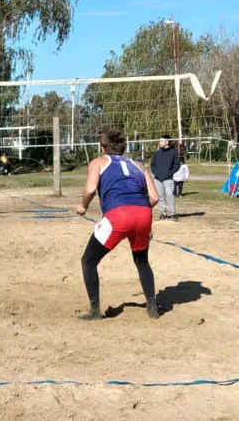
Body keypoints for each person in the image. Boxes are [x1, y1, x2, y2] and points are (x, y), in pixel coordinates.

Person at [75, 130, 160, 321]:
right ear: (124, 148)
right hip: (144, 213)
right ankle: (152, 306)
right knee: (141, 260)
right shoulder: (138, 165)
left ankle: (95, 310)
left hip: (118, 215)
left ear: (102, 147)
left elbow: (89, 189)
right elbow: (154, 197)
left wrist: (83, 206)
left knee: (88, 260)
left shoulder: (98, 162)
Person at [150, 136, 181, 220]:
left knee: (169, 195)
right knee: (160, 196)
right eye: (159, 141)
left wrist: (170, 173)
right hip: (158, 179)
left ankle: (173, 214)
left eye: (161, 141)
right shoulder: (157, 153)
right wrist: (155, 173)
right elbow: (152, 165)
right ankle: (163, 213)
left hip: (168, 178)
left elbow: (177, 165)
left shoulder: (173, 152)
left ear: (167, 142)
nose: (159, 142)